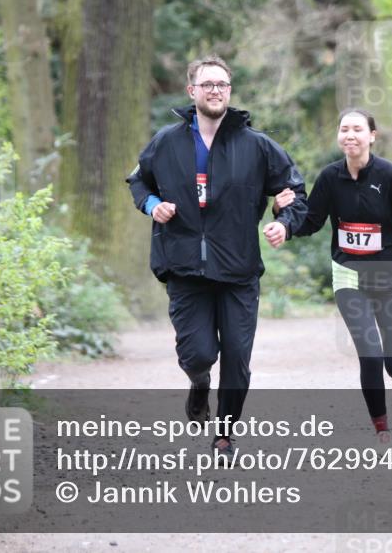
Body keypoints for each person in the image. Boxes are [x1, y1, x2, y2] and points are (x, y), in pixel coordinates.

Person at [126, 55, 307, 458]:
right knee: (198, 354)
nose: (215, 91)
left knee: (238, 360)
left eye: (222, 84)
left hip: (238, 270)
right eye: (207, 84)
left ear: (230, 91)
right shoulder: (167, 142)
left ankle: (224, 435)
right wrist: (153, 204)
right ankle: (199, 382)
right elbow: (138, 181)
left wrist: (285, 221)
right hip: (184, 267)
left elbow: (294, 191)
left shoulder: (257, 146)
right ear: (192, 91)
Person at [274, 109, 392, 441]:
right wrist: (282, 216)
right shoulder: (328, 178)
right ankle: (382, 428)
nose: (349, 135)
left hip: (391, 277)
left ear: (372, 136)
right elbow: (310, 222)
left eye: (357, 129)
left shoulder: (391, 175)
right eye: (344, 129)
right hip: (348, 277)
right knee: (370, 352)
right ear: (339, 136)